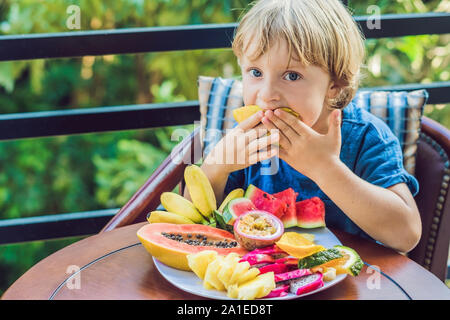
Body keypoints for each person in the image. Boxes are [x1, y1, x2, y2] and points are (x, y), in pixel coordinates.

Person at [186, 0, 422, 253]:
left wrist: (324, 168)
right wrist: (216, 167)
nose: (267, 95)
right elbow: (192, 220)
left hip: (348, 283)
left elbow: (406, 234)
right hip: (261, 279)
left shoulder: (367, 137)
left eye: (291, 76)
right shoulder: (246, 136)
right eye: (255, 72)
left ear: (335, 83)